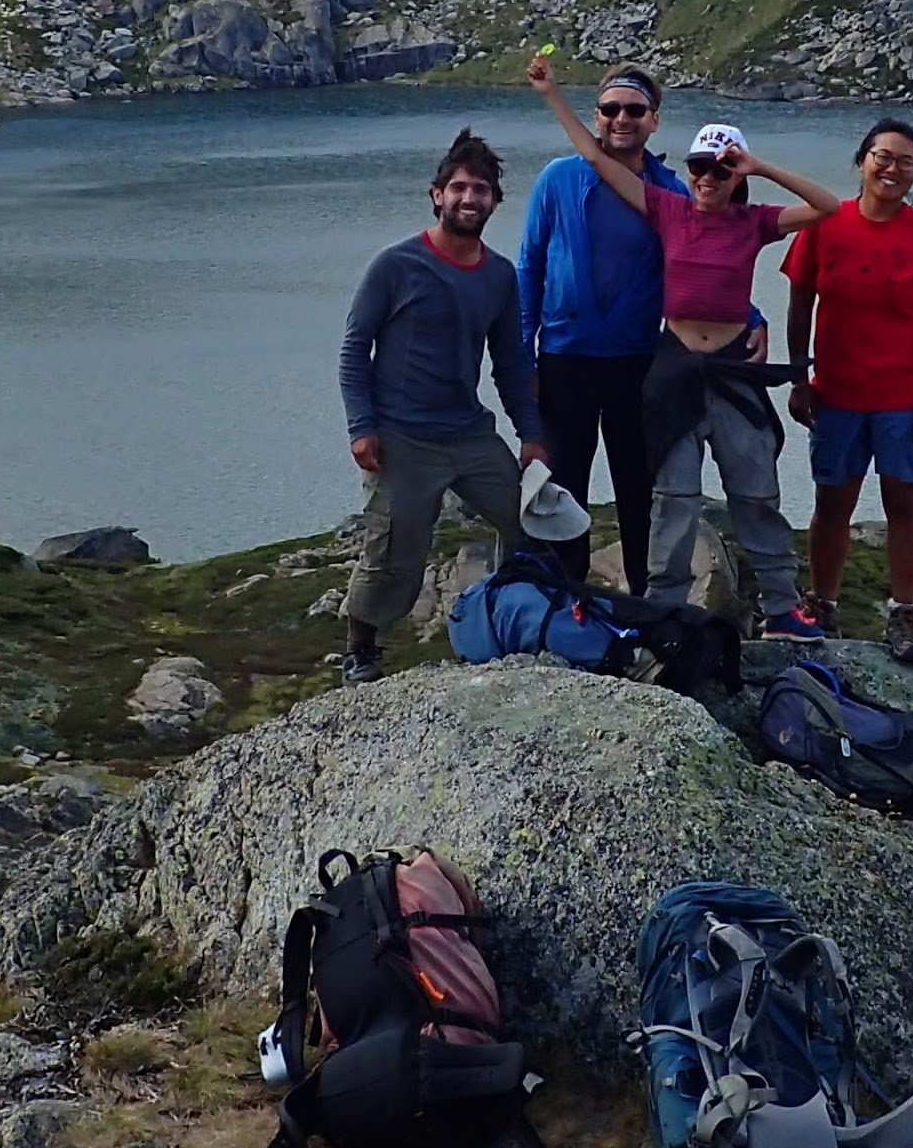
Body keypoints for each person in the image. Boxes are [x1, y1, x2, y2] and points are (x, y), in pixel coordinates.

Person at [527, 57, 834, 638]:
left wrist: (760, 167)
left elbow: (826, 209)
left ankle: (767, 607)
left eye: (722, 168)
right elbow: (587, 167)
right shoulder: (653, 203)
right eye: (700, 166)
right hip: (625, 364)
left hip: (698, 368)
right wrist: (551, 94)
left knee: (734, 490)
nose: (709, 177)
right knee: (640, 492)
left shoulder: (736, 215)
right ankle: (617, 608)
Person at [335, 127, 549, 682]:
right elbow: (355, 349)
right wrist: (361, 427)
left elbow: (511, 364)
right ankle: (360, 649)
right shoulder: (395, 265)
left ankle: (509, 619)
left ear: (495, 201)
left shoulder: (500, 276)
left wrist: (531, 435)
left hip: (469, 434)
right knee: (393, 550)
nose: (468, 198)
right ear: (437, 195)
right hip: (401, 437)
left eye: (480, 189)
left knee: (532, 521)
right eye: (458, 188)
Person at [783, 117, 913, 665]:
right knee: (831, 503)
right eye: (882, 157)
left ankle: (905, 613)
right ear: (862, 160)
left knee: (905, 504)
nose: (892, 169)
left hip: (904, 400)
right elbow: (800, 304)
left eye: (906, 162)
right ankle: (822, 605)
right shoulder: (825, 225)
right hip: (837, 393)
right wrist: (799, 379)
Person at [515, 62, 686, 594]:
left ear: (654, 120)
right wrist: (523, 356)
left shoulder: (670, 191)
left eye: (634, 110)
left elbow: (701, 265)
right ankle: (567, 602)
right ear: (596, 117)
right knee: (564, 488)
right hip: (565, 360)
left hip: (638, 363)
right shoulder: (559, 179)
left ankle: (644, 601)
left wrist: (749, 318)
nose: (621, 119)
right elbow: (529, 267)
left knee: (639, 489)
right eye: (611, 109)